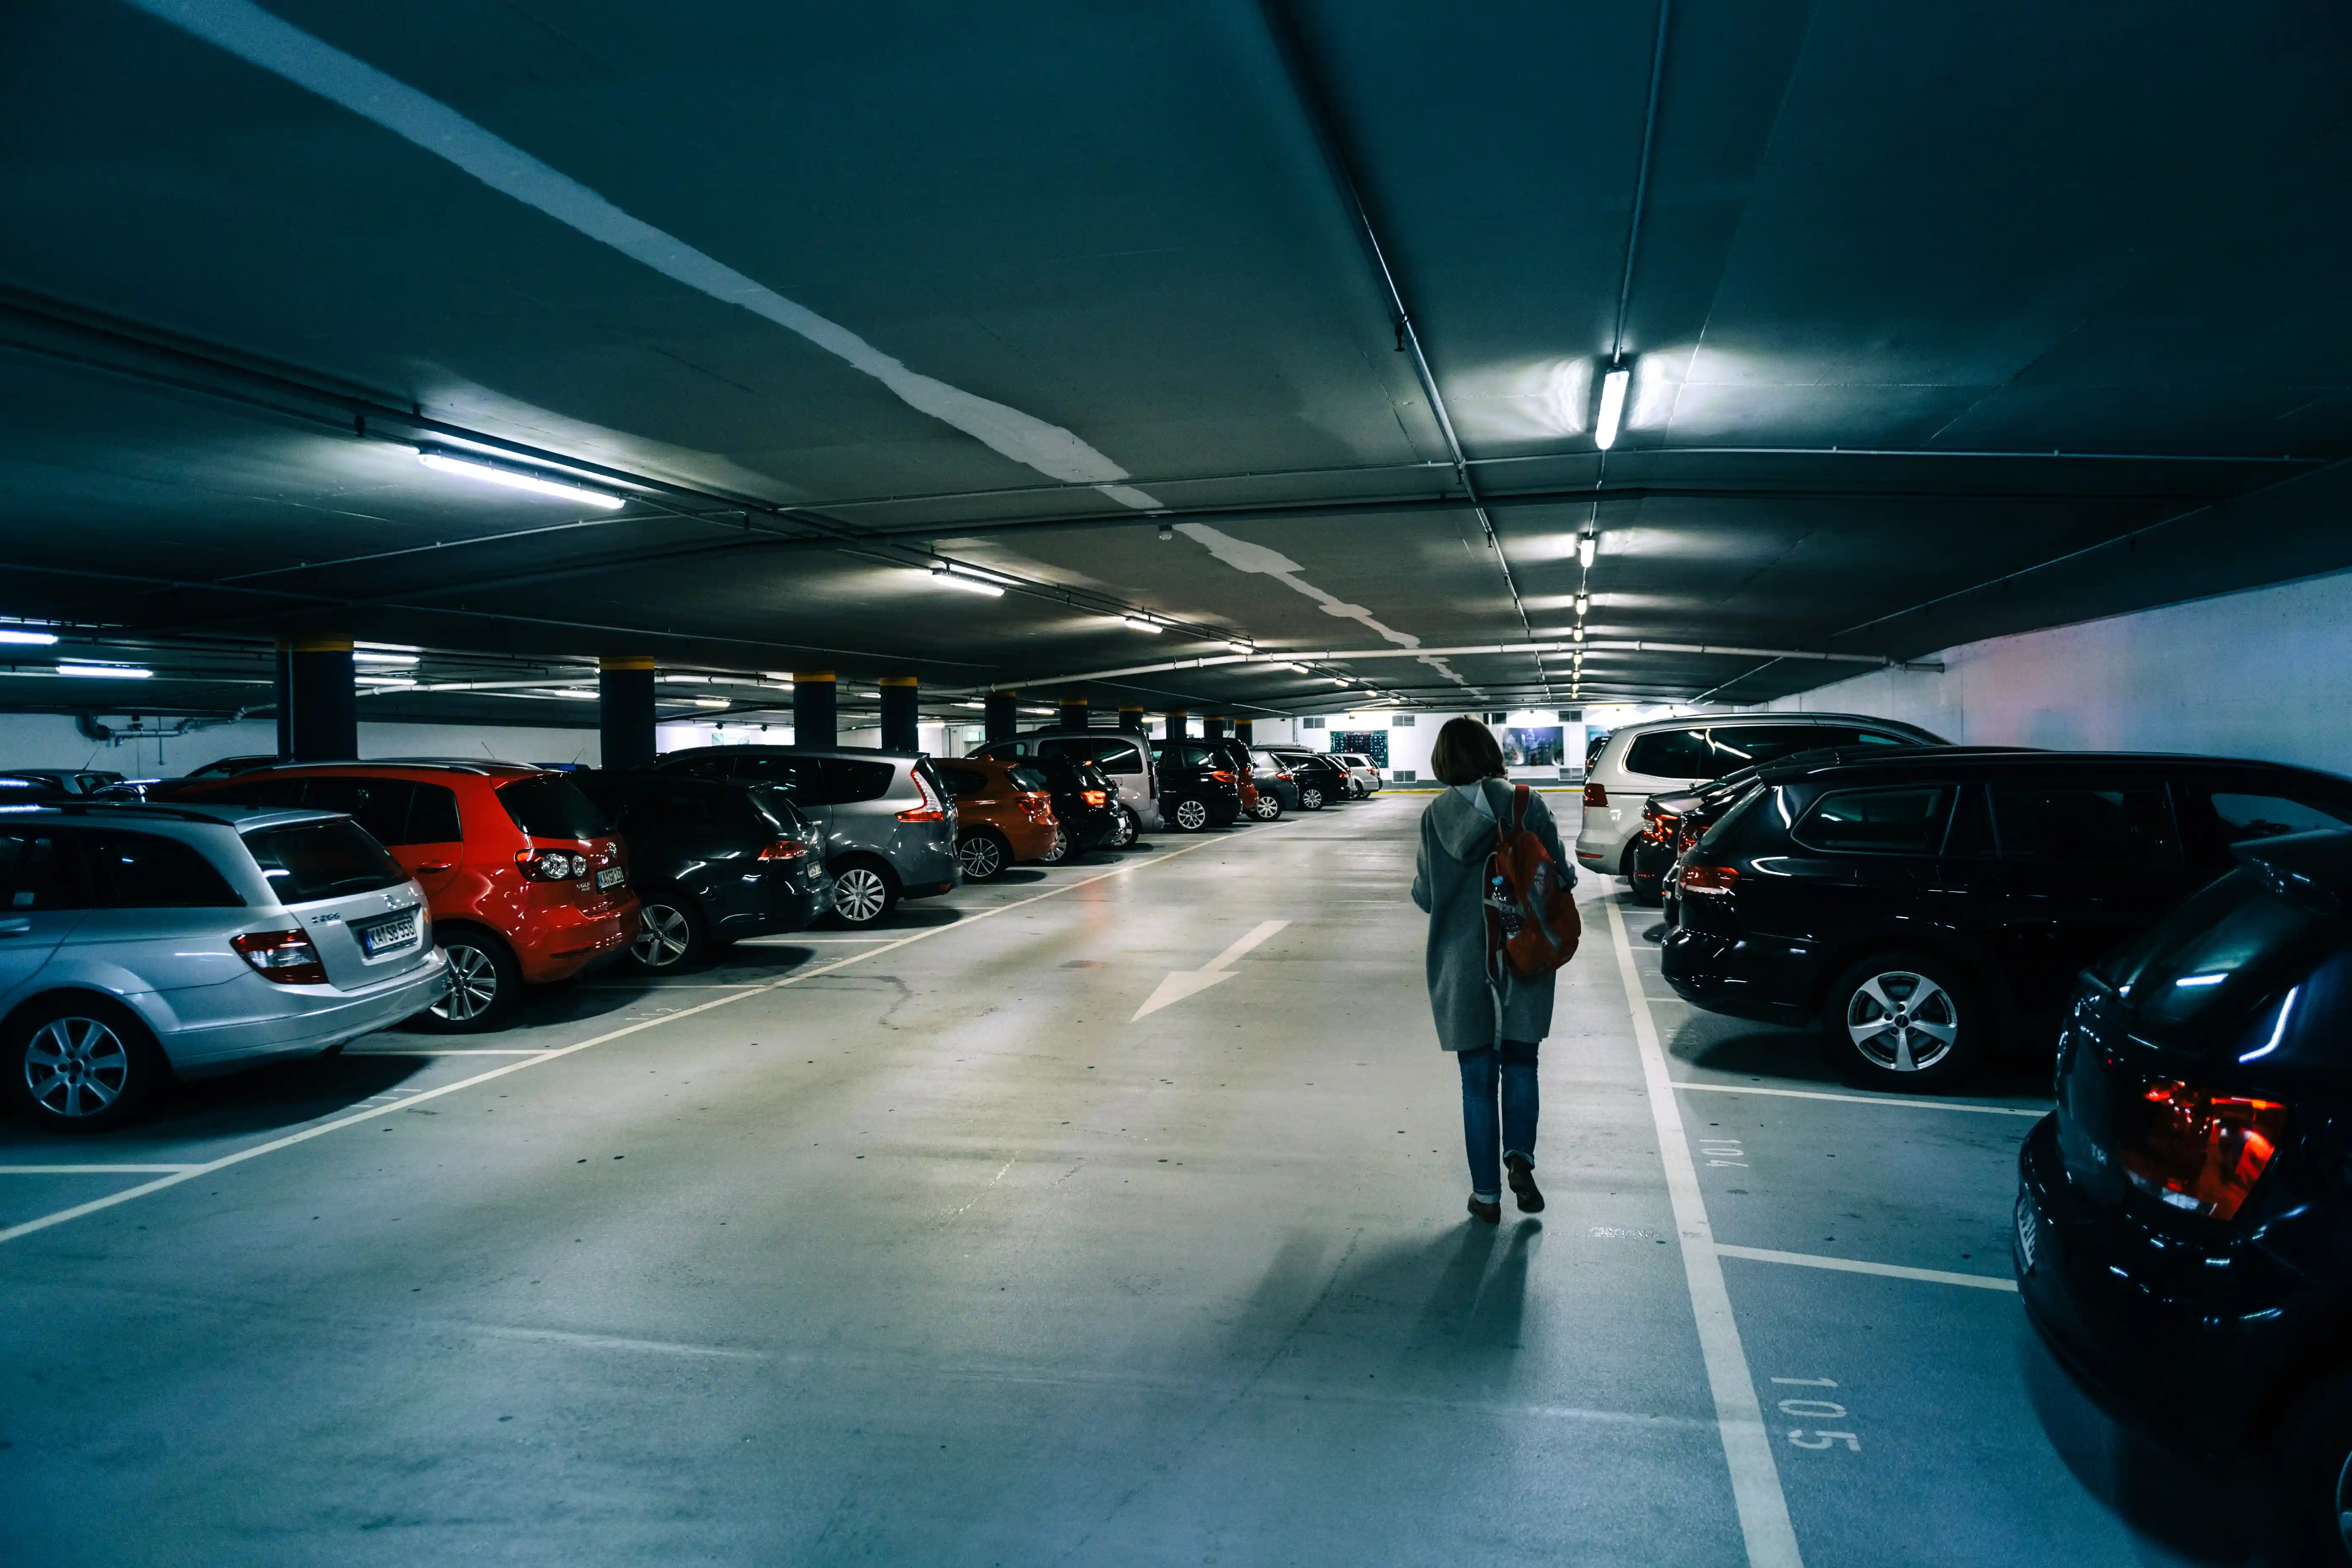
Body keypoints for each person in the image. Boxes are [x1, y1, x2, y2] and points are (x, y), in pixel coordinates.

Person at [1410, 717, 1573, 1224]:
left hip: (1464, 969)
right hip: (1523, 957)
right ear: (1490, 751)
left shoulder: (1435, 817)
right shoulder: (1527, 804)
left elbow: (1425, 895)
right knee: (1522, 1064)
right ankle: (1520, 1160)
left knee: (1476, 1080)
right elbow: (1562, 876)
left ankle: (1486, 1196)